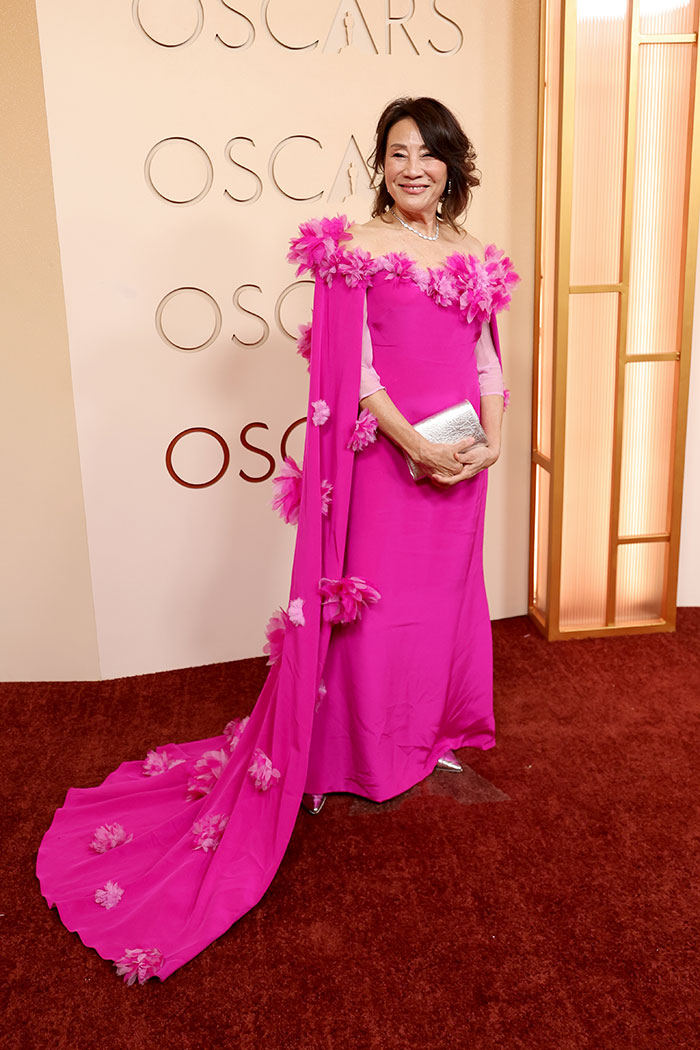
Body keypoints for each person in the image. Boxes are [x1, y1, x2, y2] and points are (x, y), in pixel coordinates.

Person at [35, 97, 519, 985]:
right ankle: (354, 754)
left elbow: (487, 363)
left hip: (460, 452)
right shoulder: (353, 248)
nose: (414, 167)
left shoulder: (475, 253)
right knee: (373, 607)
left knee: (440, 602)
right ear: (381, 165)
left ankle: (425, 733)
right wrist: (413, 445)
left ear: (454, 164)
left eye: (429, 153)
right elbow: (351, 370)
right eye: (398, 152)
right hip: (387, 457)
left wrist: (490, 441)